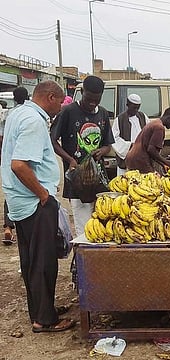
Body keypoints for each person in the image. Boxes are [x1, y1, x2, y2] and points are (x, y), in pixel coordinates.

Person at [1, 80, 75, 333]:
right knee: (44, 262)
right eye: (60, 103)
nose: (60, 109)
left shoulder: (18, 113)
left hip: (20, 202)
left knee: (32, 260)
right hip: (34, 202)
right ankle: (45, 320)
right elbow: (19, 165)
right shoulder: (33, 121)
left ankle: (42, 310)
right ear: (51, 97)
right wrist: (43, 194)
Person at [50, 75, 114, 236]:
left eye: (96, 100)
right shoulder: (68, 112)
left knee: (101, 222)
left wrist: (103, 151)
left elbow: (108, 144)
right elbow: (52, 141)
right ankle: (81, 260)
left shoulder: (103, 114)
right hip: (77, 180)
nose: (92, 103)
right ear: (82, 92)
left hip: (98, 179)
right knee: (83, 226)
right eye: (89, 99)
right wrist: (70, 159)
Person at [1, 86, 29, 245]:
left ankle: (8, 228)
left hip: (8, 157)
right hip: (22, 161)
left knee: (10, 194)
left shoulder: (10, 114)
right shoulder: (28, 115)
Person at [125, 107, 170, 173]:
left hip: (132, 158)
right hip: (140, 160)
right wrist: (166, 161)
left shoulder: (154, 122)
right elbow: (151, 150)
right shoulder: (159, 127)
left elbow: (151, 151)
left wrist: (163, 164)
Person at [112, 94, 149, 175]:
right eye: (133, 107)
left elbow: (149, 132)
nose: (136, 110)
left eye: (137, 108)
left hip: (140, 156)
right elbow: (114, 138)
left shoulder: (143, 116)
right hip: (126, 157)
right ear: (127, 105)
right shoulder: (119, 119)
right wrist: (130, 146)